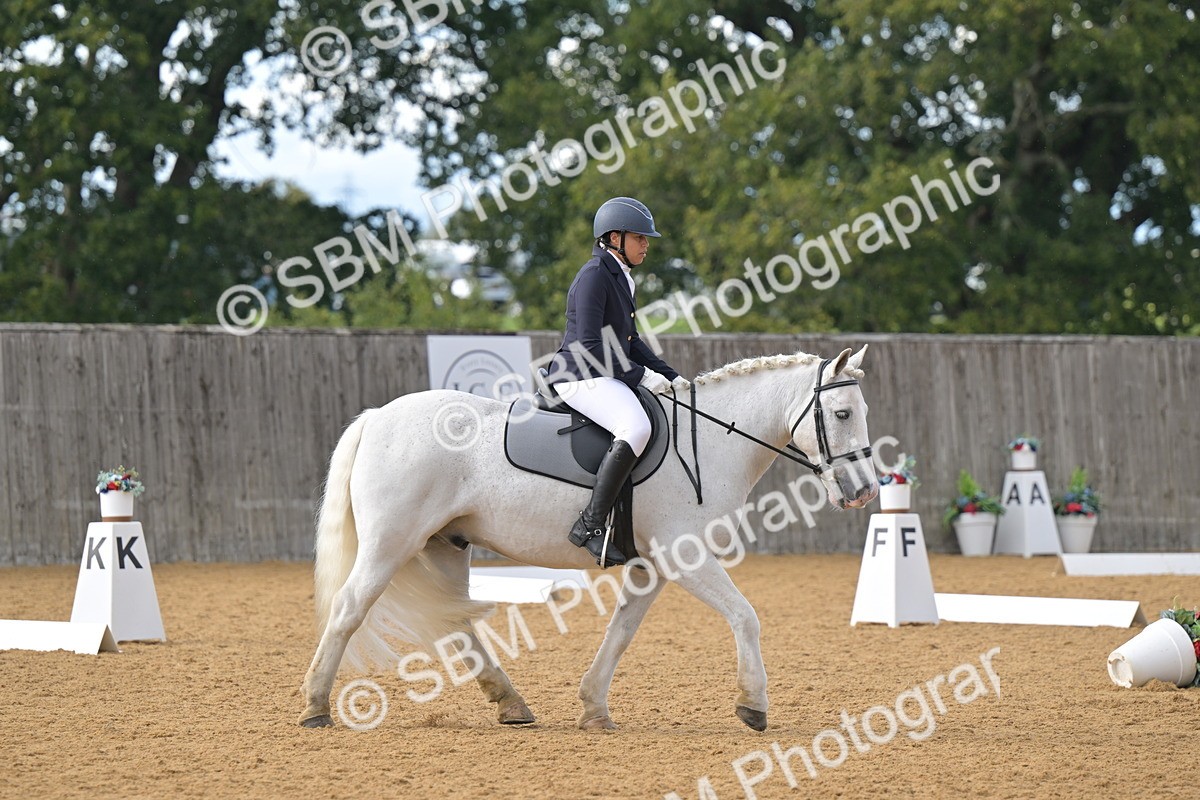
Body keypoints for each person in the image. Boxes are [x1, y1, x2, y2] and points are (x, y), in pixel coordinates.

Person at [546, 197, 689, 567]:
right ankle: (590, 525)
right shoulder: (594, 276)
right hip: (578, 374)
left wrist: (670, 376)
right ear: (614, 238)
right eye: (639, 237)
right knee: (636, 426)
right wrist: (640, 376)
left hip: (600, 372)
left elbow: (631, 341)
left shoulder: (621, 277)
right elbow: (589, 346)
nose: (646, 245)